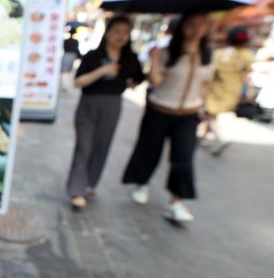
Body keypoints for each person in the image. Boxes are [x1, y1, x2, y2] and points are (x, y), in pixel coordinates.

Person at [122, 12, 215, 223]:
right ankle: (141, 183)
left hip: (188, 114)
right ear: (183, 27)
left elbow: (207, 82)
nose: (196, 29)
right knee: (149, 149)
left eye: (201, 25)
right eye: (192, 24)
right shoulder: (168, 52)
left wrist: (203, 104)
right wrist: (155, 59)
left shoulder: (207, 55)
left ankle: (176, 202)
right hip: (160, 109)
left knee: (183, 157)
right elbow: (155, 80)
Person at [67, 15, 144, 209]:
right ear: (108, 33)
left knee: (102, 145)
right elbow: (77, 82)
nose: (121, 36)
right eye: (117, 31)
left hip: (113, 105)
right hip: (89, 103)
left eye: (125, 33)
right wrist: (103, 71)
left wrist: (130, 83)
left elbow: (139, 78)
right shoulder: (93, 56)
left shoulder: (130, 59)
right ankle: (76, 189)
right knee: (84, 147)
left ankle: (89, 183)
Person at [203, 26, 254, 155]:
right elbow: (246, 74)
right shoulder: (246, 55)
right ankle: (209, 137)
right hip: (234, 90)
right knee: (214, 114)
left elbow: (211, 72)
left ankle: (220, 137)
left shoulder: (220, 54)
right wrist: (249, 89)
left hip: (217, 88)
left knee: (210, 113)